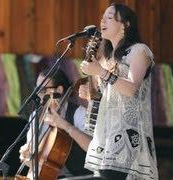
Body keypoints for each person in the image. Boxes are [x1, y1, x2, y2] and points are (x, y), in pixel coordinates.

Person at [44, 3, 158, 180]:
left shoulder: (139, 51)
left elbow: (132, 89)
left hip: (128, 141)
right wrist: (92, 97)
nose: (102, 20)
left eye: (110, 17)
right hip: (106, 142)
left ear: (125, 25)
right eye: (102, 17)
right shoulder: (107, 59)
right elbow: (112, 99)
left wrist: (101, 72)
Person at [18, 68, 92, 178]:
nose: (39, 94)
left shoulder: (78, 113)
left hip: (77, 177)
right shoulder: (35, 116)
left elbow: (92, 147)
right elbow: (33, 162)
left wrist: (65, 126)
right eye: (37, 90)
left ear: (59, 90)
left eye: (43, 90)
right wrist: (26, 156)